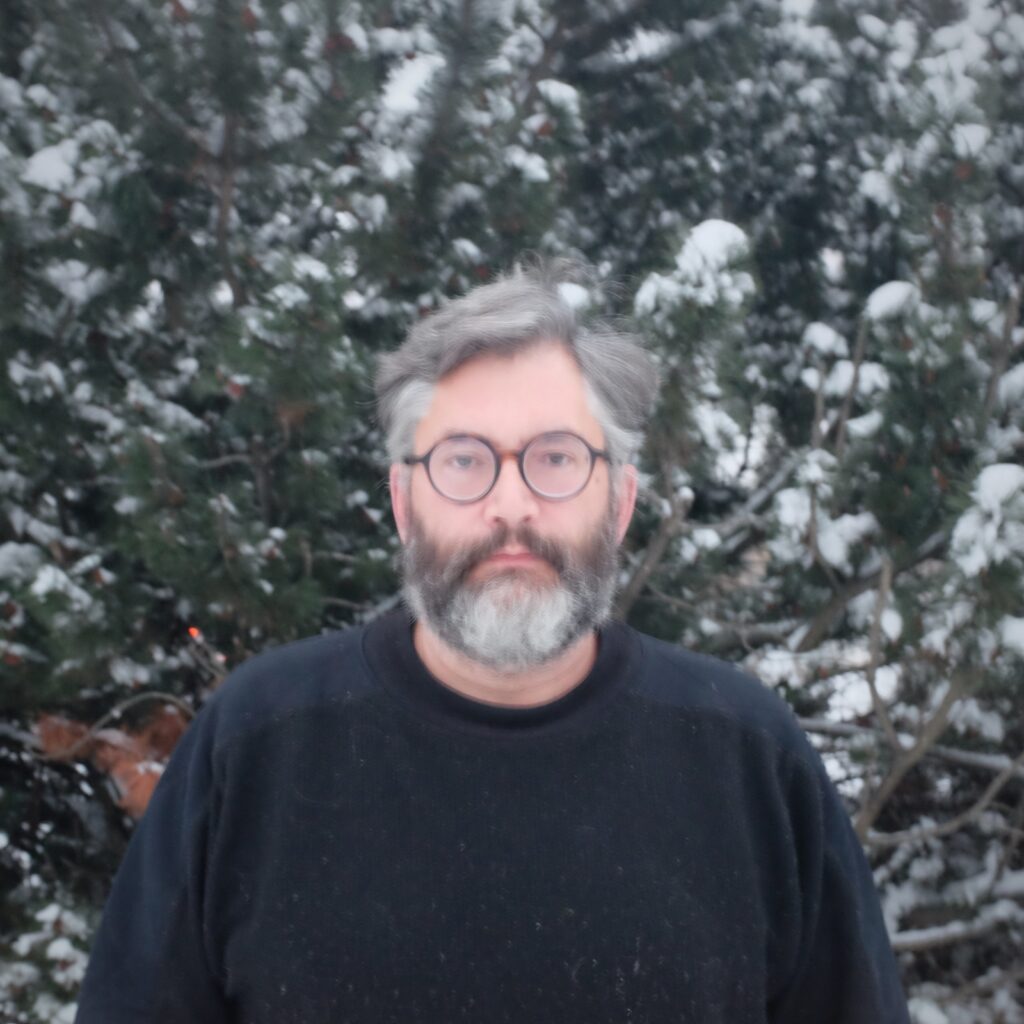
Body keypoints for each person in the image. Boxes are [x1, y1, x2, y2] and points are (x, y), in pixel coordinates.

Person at [76, 261, 910, 1023]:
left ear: (619, 504)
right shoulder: (257, 745)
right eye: (465, 462)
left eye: (555, 458)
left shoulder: (745, 757)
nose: (512, 505)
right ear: (405, 503)